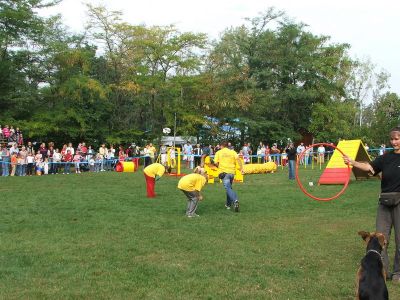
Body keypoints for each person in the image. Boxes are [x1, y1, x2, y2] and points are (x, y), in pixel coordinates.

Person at [343, 127, 400, 283]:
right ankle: (383, 271)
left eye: (397, 139)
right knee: (380, 239)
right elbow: (369, 167)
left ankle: (398, 273)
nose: (394, 142)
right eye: (392, 139)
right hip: (384, 202)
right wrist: (352, 161)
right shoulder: (386, 158)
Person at [214, 141, 244, 212]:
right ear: (227, 146)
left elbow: (215, 162)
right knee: (229, 188)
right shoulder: (232, 152)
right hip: (232, 173)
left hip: (224, 173)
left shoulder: (218, 152)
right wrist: (241, 169)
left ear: (221, 146)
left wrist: (219, 167)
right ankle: (228, 204)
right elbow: (238, 160)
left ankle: (235, 200)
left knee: (227, 188)